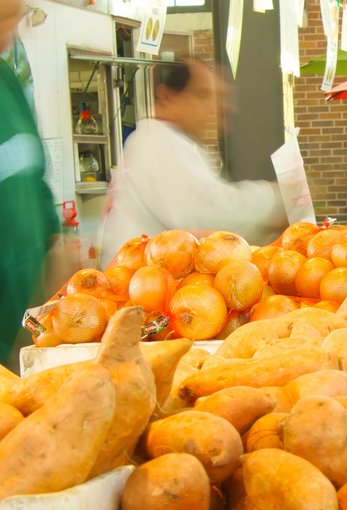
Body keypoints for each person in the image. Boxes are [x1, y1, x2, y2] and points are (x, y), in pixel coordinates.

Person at [100, 61, 296, 266]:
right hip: (137, 286)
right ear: (167, 97)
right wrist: (277, 200)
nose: (211, 108)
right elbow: (208, 212)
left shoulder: (170, 141)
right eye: (202, 95)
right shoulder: (156, 143)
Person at [0, 0, 60, 367]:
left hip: (28, 330)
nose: (11, 31)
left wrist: (55, 242)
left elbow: (33, 179)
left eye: (14, 18)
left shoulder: (6, 80)